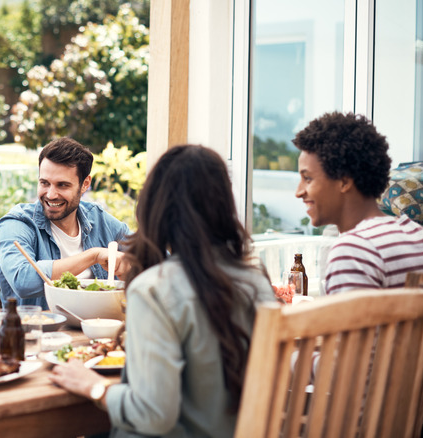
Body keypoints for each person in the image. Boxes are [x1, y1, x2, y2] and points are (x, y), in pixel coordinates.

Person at [49, 145, 276, 437]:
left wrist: (93, 385)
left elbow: (153, 414)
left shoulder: (154, 290)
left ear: (156, 206)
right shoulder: (255, 280)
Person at [294, 111, 423, 295]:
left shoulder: (353, 251)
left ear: (344, 181)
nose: (298, 192)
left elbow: (348, 325)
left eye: (308, 178)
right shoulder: (422, 238)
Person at [0, 137, 131, 308]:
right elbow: (23, 281)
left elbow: (157, 256)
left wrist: (131, 265)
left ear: (85, 185)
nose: (51, 194)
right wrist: (93, 256)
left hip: (97, 327)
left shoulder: (98, 219)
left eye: (62, 185)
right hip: (39, 330)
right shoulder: (17, 223)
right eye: (44, 183)